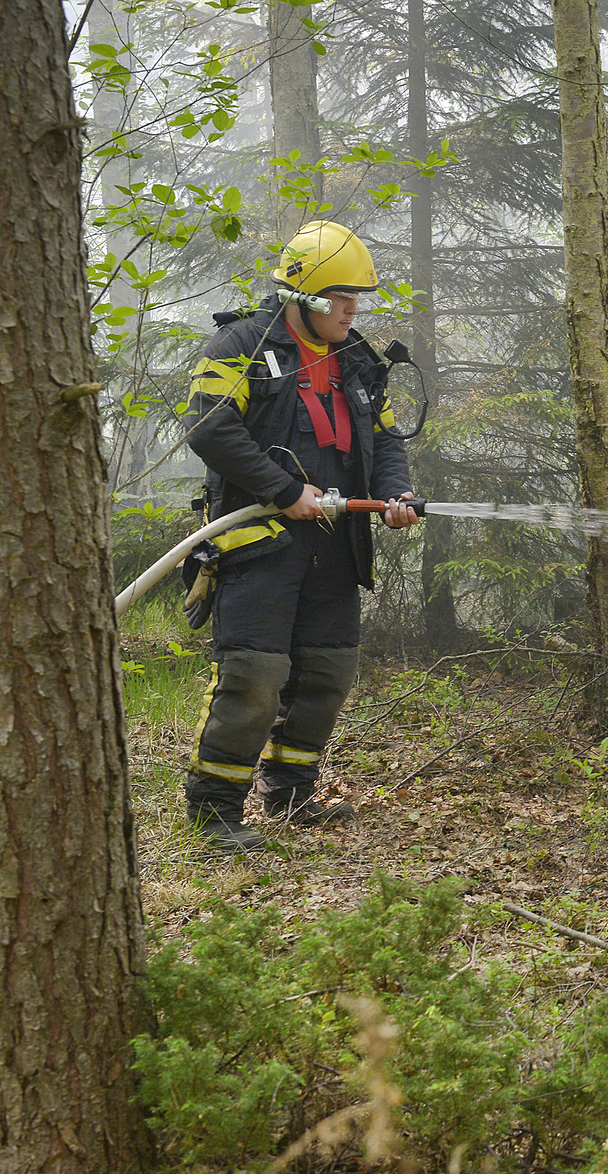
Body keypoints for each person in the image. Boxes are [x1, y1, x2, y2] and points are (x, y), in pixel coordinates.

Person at [179, 219, 420, 851]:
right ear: (303, 296)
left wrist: (395, 495)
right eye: (340, 297)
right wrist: (284, 491)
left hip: (335, 546)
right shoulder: (242, 344)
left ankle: (291, 794)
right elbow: (208, 427)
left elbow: (386, 440)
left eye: (356, 297)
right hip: (257, 544)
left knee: (328, 672)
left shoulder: (358, 359)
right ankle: (214, 811)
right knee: (254, 674)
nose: (352, 309)